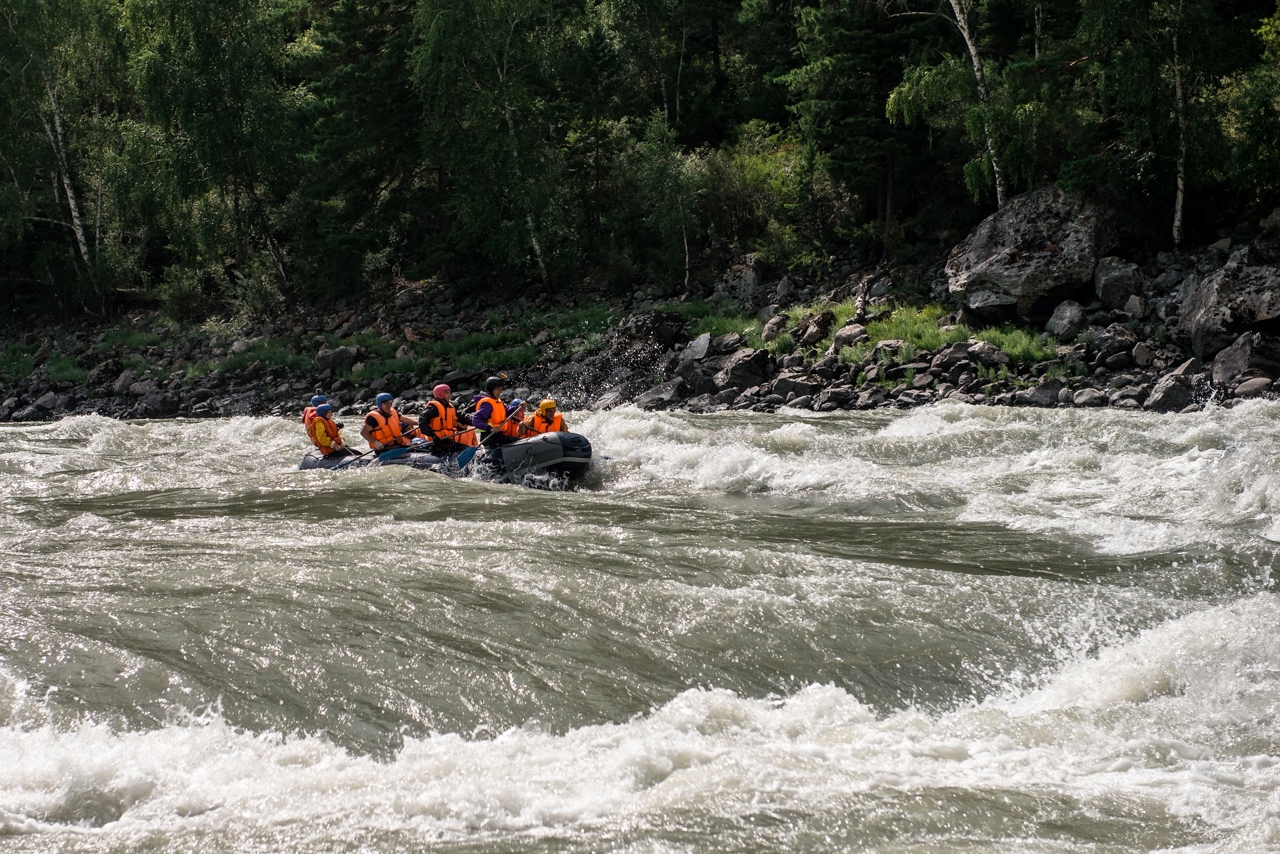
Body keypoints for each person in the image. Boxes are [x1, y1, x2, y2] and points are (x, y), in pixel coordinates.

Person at [423, 383, 478, 453]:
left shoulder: (450, 407)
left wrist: (477, 422)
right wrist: (432, 435)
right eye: (447, 393)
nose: (449, 395)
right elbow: (422, 421)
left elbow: (463, 418)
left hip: (447, 440)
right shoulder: (433, 408)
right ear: (440, 394)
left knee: (465, 447)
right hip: (437, 441)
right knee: (462, 448)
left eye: (449, 393)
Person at [472, 376, 525, 447]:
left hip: (499, 436)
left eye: (501, 389)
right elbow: (475, 420)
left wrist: (518, 407)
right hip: (490, 438)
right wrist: (490, 428)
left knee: (520, 441)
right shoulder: (487, 404)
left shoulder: (497, 401)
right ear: (491, 390)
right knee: (520, 443)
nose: (500, 391)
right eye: (498, 389)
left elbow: (507, 411)